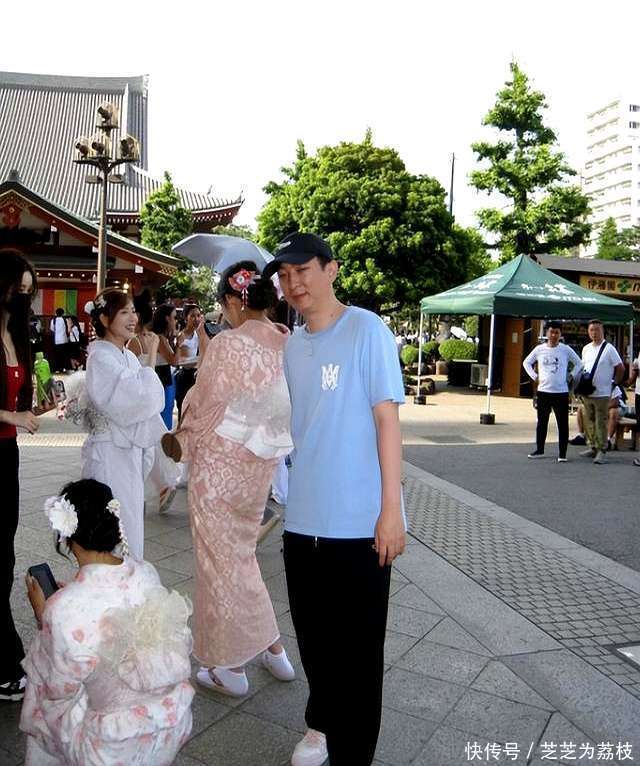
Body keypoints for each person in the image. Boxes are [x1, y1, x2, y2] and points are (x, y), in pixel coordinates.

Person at [262, 233, 406, 766]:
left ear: (331, 269)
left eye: (303, 270)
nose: (293, 283)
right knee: (315, 645)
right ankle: (322, 726)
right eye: (284, 275)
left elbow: (387, 421)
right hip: (303, 523)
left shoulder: (367, 329)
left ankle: (352, 756)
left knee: (359, 659)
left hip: (359, 525)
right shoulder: (292, 347)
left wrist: (391, 511)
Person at [165, 260, 295, 698]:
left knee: (217, 564)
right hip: (257, 470)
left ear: (234, 302)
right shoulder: (287, 342)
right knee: (239, 556)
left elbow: (204, 403)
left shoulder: (227, 343)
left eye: (223, 305)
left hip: (218, 469)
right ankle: (273, 649)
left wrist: (183, 432)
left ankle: (229, 667)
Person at [20, 478, 193, 765]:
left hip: (112, 745)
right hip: (172, 721)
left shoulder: (62, 609)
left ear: (67, 538)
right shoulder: (145, 572)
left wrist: (44, 617)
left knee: (41, 682)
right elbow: (107, 605)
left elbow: (58, 690)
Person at [82, 288, 166, 558]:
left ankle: (130, 578)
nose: (133, 318)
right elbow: (142, 397)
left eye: (133, 311)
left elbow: (145, 402)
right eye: (124, 312)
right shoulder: (100, 357)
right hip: (109, 454)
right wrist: (151, 358)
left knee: (130, 523)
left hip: (128, 452)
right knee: (114, 526)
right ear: (105, 319)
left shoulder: (126, 355)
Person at [0, 249, 50, 703]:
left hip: (7, 455)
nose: (23, 299)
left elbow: (17, 403)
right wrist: (11, 416)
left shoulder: (17, 335)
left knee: (5, 555)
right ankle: (5, 660)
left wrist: (29, 411)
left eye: (28, 292)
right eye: (18, 289)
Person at [522, 321, 582, 462]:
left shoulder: (565, 349)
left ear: (560, 334)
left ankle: (562, 453)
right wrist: (535, 376)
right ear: (547, 333)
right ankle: (540, 449)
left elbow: (579, 363)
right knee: (542, 422)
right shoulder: (539, 349)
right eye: (551, 332)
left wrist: (571, 375)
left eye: (557, 332)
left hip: (561, 392)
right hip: (544, 391)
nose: (554, 335)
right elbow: (526, 362)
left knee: (563, 423)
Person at [578, 320, 625, 465]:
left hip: (603, 393)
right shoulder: (586, 349)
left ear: (602, 331)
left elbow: (620, 368)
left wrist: (614, 383)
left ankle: (602, 450)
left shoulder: (609, 349)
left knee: (600, 422)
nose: (594, 333)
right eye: (591, 330)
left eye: (597, 330)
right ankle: (593, 446)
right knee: (589, 421)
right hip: (588, 392)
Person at [174, 303, 209, 420]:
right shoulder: (181, 336)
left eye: (198, 315)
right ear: (186, 318)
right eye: (192, 316)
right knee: (184, 412)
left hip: (197, 375)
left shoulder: (199, 334)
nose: (196, 319)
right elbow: (186, 360)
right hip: (186, 376)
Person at [152, 304, 179, 429]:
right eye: (174, 317)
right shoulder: (160, 338)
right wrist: (179, 343)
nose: (176, 321)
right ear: (167, 318)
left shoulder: (163, 337)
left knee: (167, 411)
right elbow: (174, 361)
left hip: (165, 378)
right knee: (165, 413)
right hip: (163, 379)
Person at [49, 307, 69, 372]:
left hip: (56, 340)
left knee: (57, 355)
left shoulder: (53, 320)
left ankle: (57, 368)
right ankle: (64, 368)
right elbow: (68, 329)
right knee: (64, 355)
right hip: (64, 340)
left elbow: (52, 329)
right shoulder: (65, 320)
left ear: (56, 313)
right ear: (63, 313)